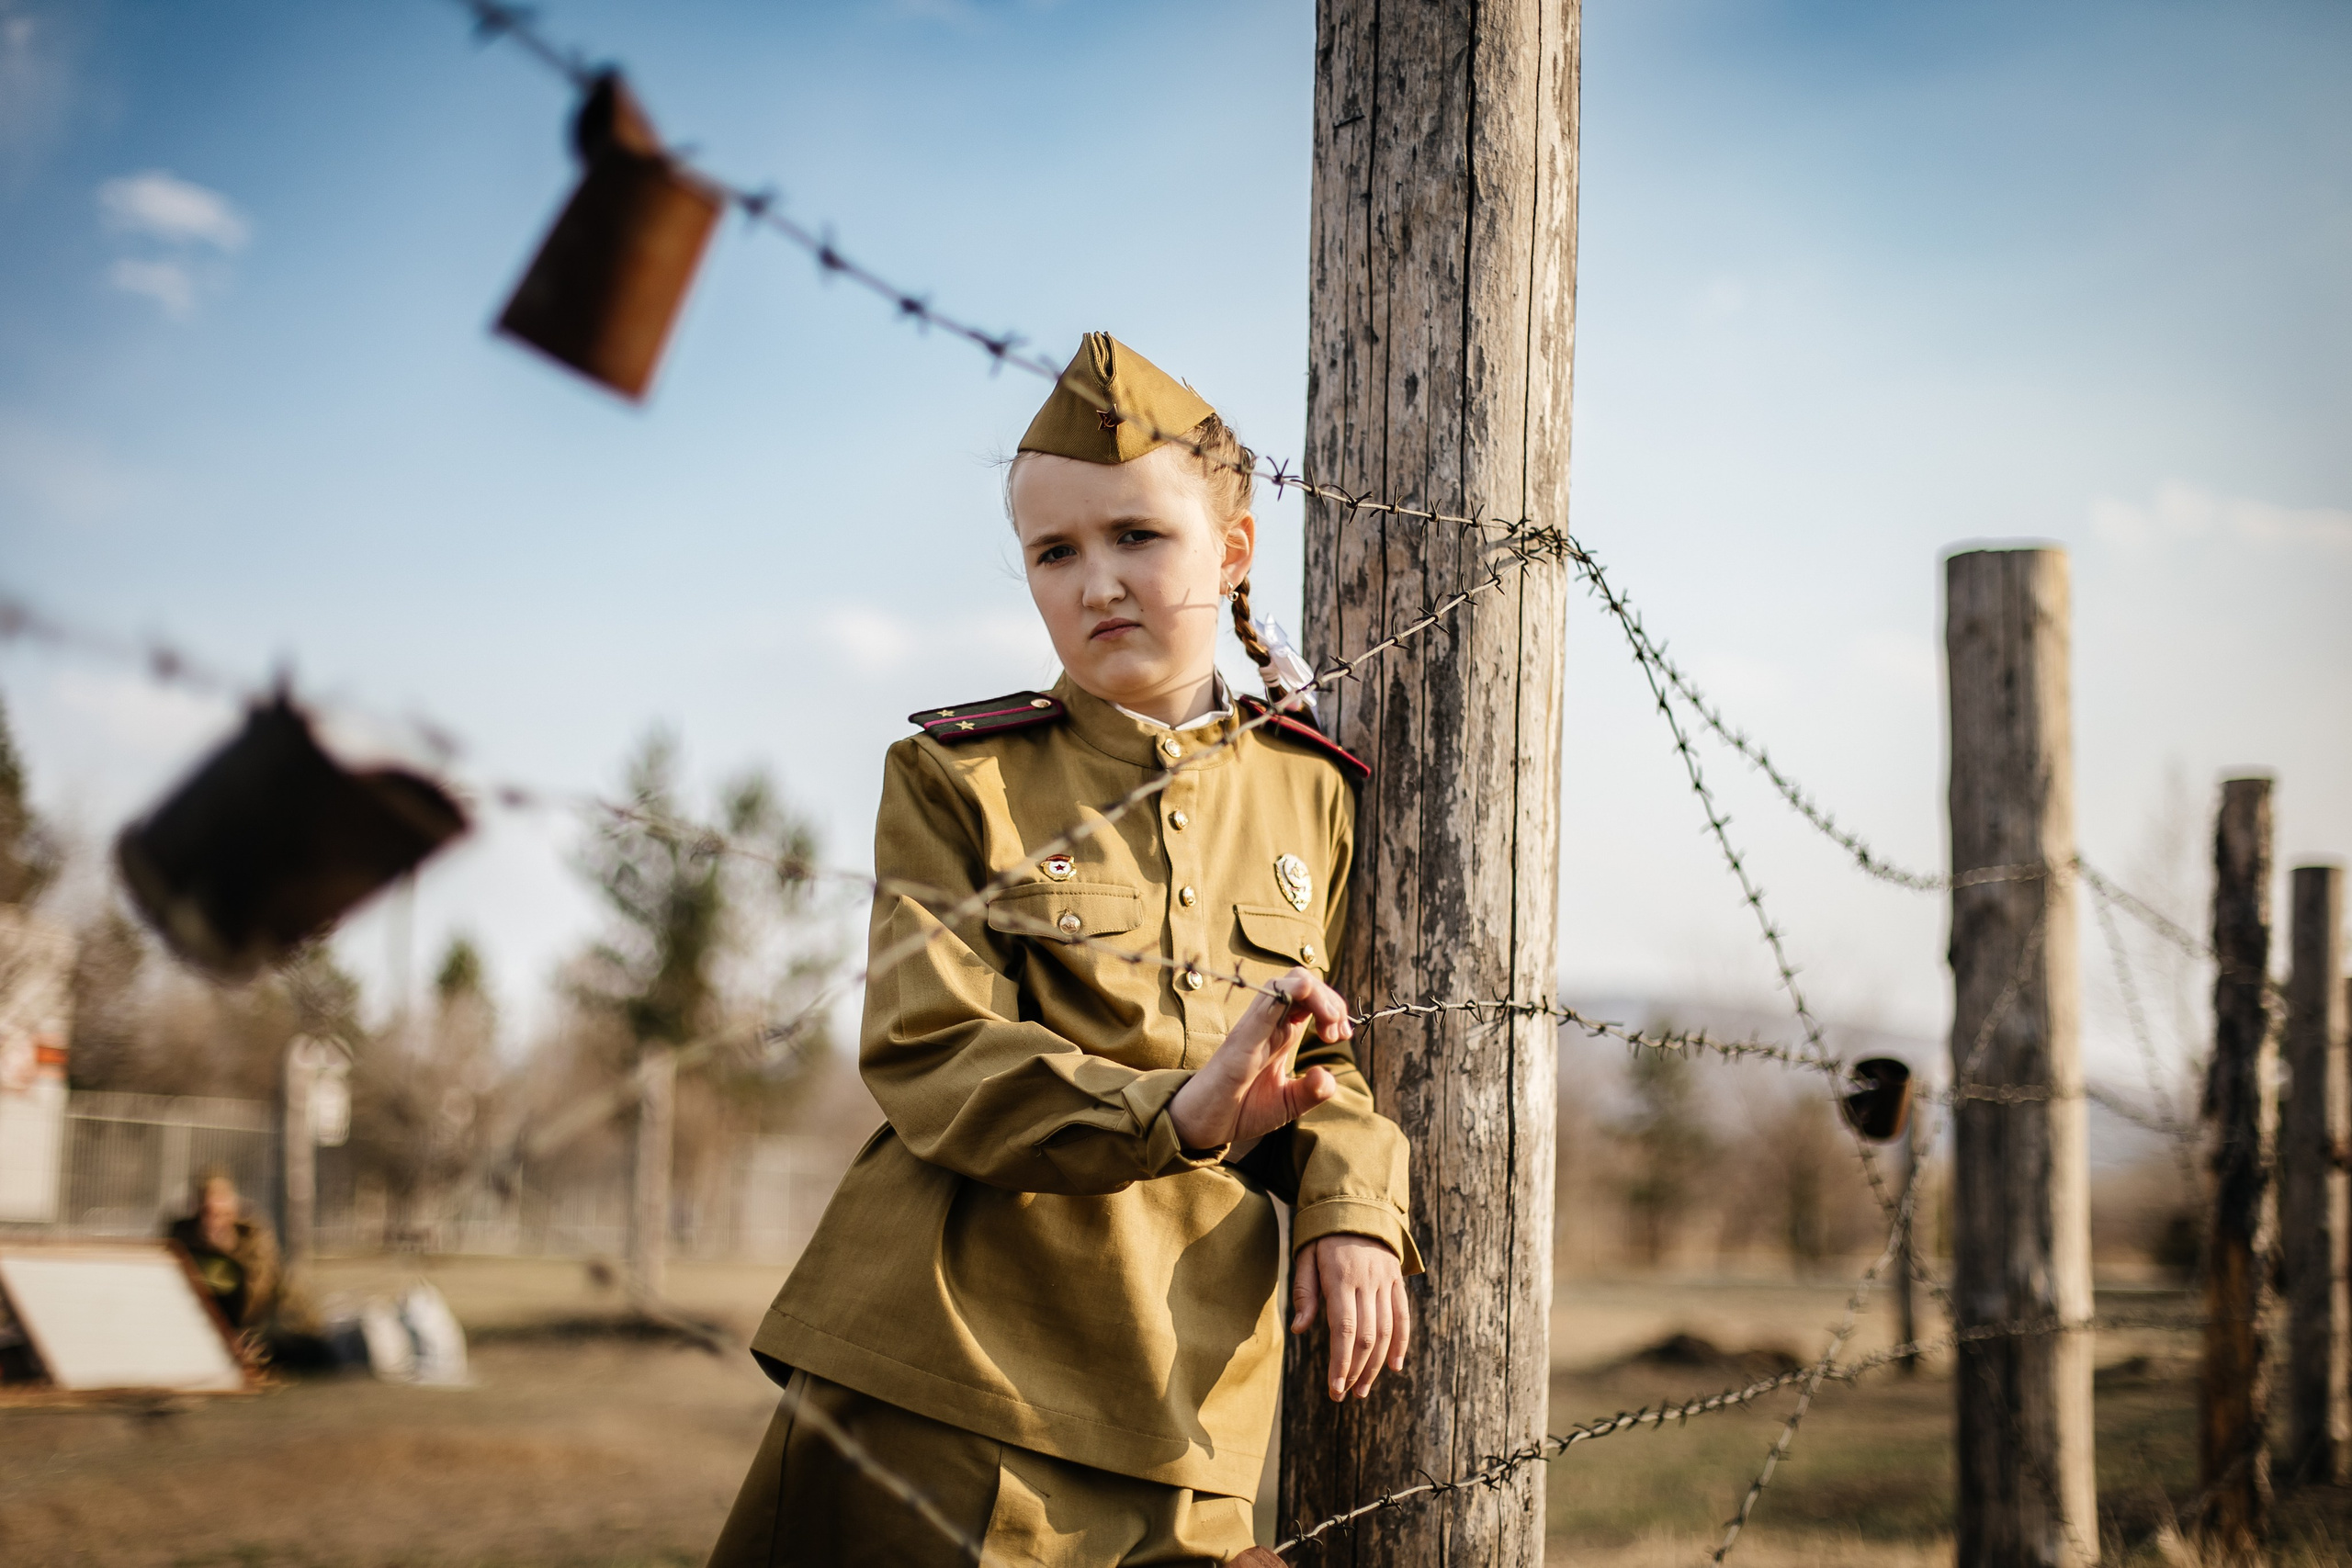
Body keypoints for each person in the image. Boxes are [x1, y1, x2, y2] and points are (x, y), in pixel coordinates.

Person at [707, 334, 1420, 1568]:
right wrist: (1177, 1109)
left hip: (1189, 1408)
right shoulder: (957, 777)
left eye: (1138, 536)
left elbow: (1333, 1061)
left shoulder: (1320, 798)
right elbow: (933, 1046)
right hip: (947, 1379)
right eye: (1057, 551)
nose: (1098, 582)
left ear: (1233, 550)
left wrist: (1353, 1207)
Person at [167, 1168, 283, 1335]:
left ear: (234, 1206)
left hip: (249, 1324)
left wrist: (228, 1248)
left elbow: (262, 1290)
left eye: (221, 1201)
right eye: (207, 1209)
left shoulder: (251, 1237)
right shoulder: (180, 1236)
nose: (213, 1212)